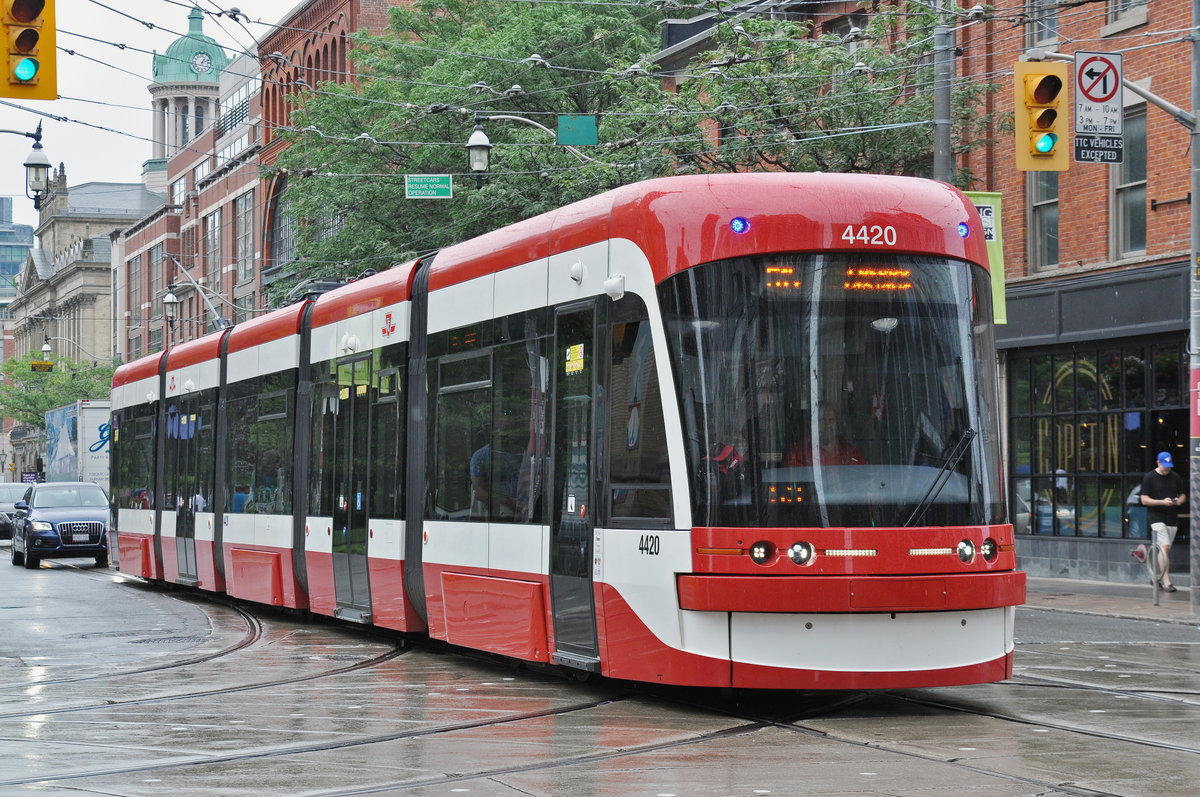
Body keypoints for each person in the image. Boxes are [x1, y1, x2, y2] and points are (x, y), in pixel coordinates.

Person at [1140, 451, 1185, 592]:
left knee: (1164, 550)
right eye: (1164, 466)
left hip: (1171, 517)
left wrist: (1178, 501)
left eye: (1169, 466)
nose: (1167, 469)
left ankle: (1155, 577)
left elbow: (1182, 494)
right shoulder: (1150, 477)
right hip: (1156, 517)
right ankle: (1166, 581)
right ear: (1158, 463)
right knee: (1164, 548)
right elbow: (1144, 499)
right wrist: (1161, 502)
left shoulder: (1175, 476)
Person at [785, 404, 865, 466]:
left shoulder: (851, 453)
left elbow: (864, 481)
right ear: (811, 424)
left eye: (831, 420)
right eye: (822, 421)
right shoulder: (799, 454)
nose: (827, 425)